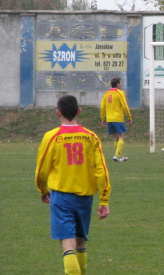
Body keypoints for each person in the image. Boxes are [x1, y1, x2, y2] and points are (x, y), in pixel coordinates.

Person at [35, 95, 111, 275]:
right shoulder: (91, 137)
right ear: (79, 111)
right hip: (85, 198)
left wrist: (42, 189)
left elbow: (42, 169)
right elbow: (101, 170)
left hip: (61, 198)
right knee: (80, 242)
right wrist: (104, 199)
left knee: (68, 244)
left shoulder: (51, 137)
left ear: (58, 113)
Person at [100, 77, 133, 162]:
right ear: (117, 84)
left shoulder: (106, 93)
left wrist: (103, 118)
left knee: (116, 138)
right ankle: (116, 155)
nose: (121, 85)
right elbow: (125, 105)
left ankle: (120, 156)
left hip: (109, 119)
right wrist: (129, 116)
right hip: (117, 118)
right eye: (120, 83)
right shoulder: (120, 93)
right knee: (122, 136)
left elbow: (102, 107)